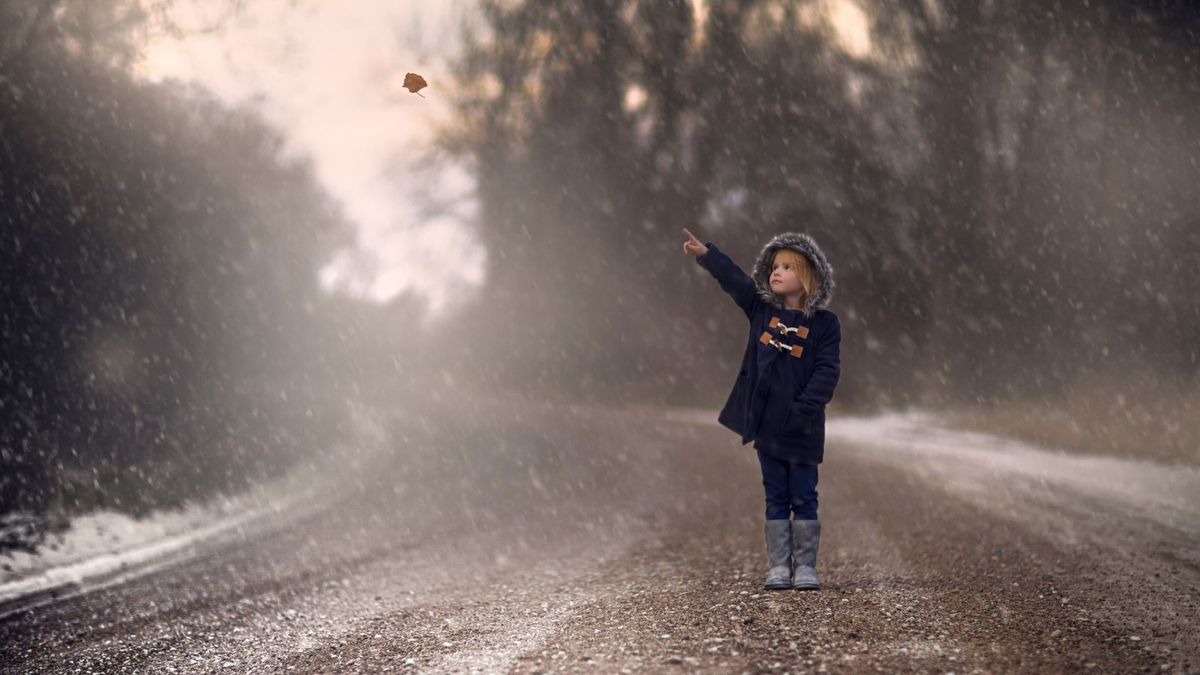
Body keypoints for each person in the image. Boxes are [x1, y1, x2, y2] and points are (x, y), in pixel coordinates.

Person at [682, 227, 841, 591]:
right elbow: (736, 281)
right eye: (774, 266)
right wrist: (708, 254)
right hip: (767, 427)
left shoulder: (825, 324)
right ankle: (778, 568)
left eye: (787, 266)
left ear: (809, 277)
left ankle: (805, 568)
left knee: (804, 495)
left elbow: (827, 370)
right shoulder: (762, 311)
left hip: (803, 428)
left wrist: (804, 409)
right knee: (775, 496)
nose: (776, 271)